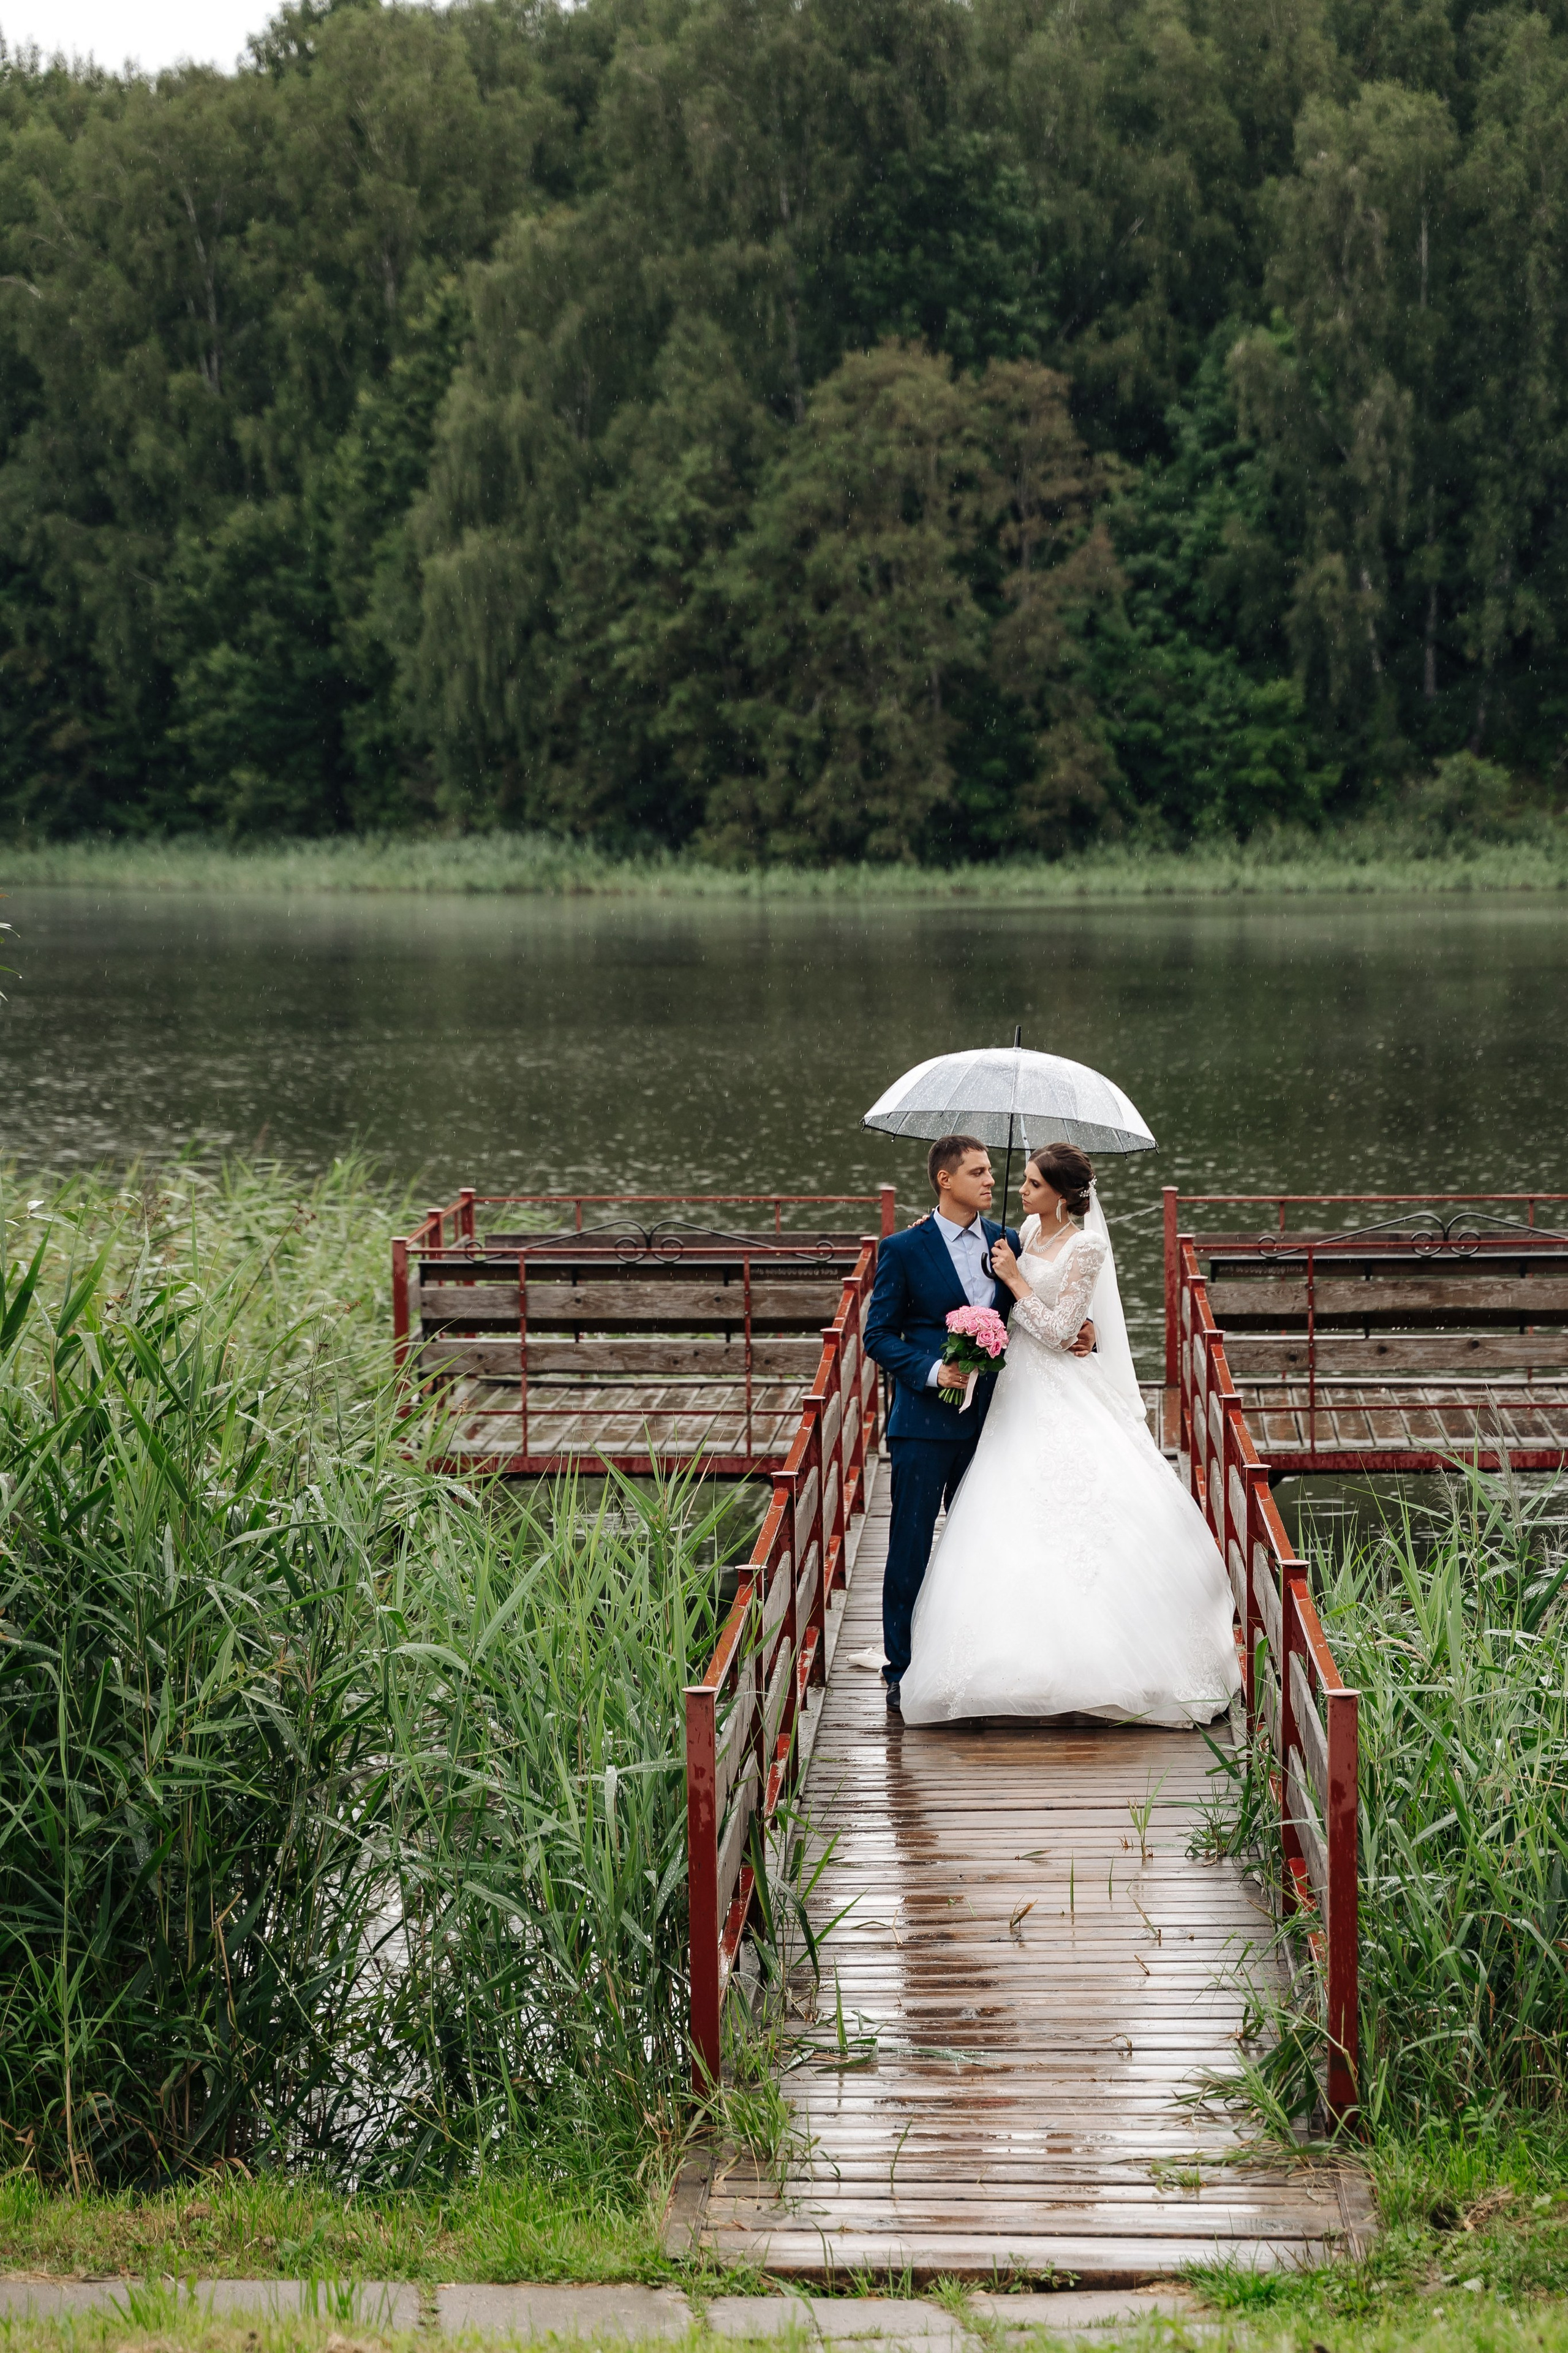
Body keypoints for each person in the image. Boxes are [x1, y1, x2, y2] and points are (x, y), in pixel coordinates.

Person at [897, 1140, 1243, 1728]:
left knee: (1078, 1514)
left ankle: (1097, 1666)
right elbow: (983, 1291)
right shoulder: (1023, 1235)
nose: (1017, 1190)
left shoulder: (1085, 1245)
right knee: (1004, 1514)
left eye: (1030, 1183)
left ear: (1060, 1193)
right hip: (1012, 1394)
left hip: (1059, 1388)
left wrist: (1048, 1304)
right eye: (1017, 1180)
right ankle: (989, 1661)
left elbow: (1061, 1330)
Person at [862, 1134, 1094, 1714]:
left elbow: (1040, 1312)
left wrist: (1088, 1333)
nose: (992, 1181)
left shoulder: (1008, 1240)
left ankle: (977, 1663)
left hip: (994, 1425)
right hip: (921, 1425)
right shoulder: (903, 1248)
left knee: (984, 1548)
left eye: (993, 1170)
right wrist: (934, 1369)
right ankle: (901, 1668)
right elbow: (877, 1335)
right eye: (978, 1172)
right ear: (945, 1179)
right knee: (909, 1548)